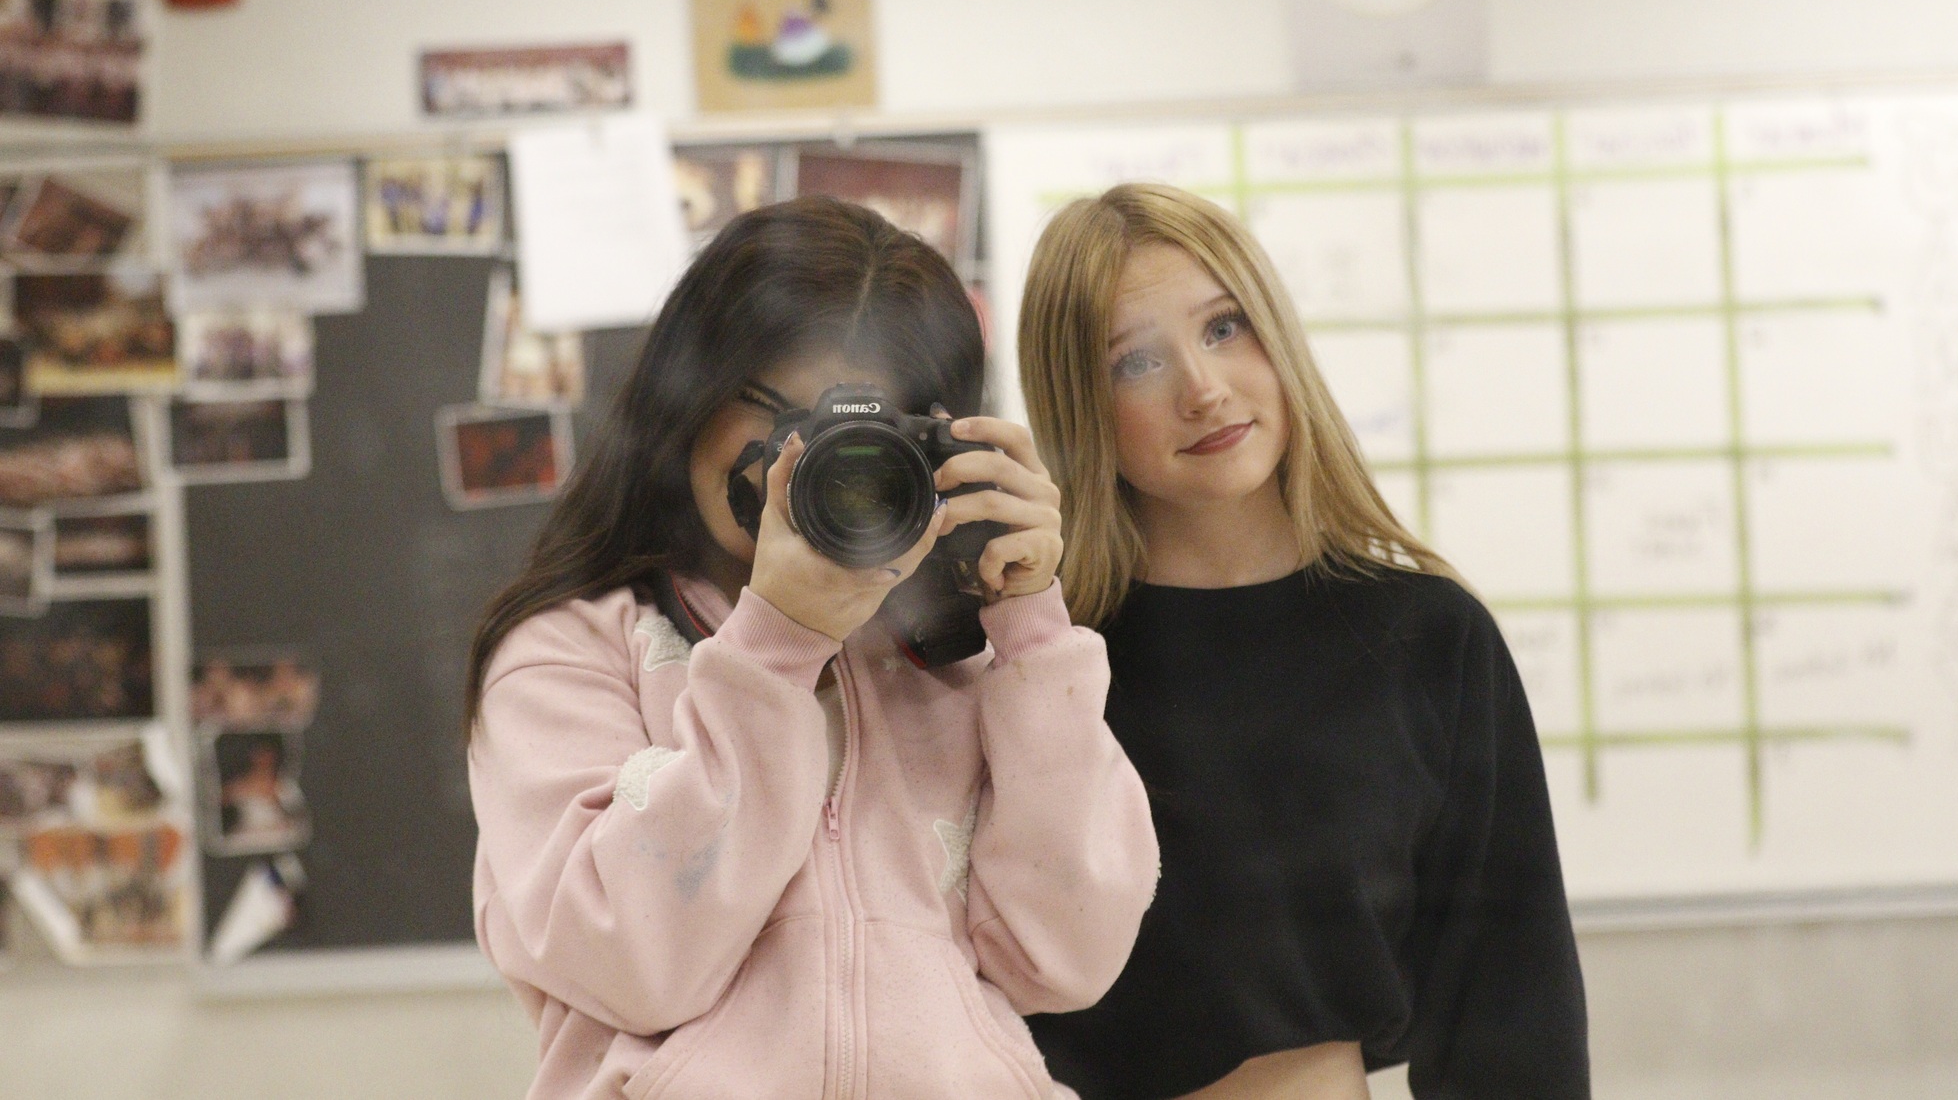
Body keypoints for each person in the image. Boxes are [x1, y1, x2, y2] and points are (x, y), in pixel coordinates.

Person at [465, 197, 1158, 1100]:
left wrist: (1031, 628)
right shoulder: (567, 651)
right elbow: (633, 961)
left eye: (867, 431)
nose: (810, 456)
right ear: (684, 398)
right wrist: (778, 645)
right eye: (777, 409)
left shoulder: (957, 660)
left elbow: (1067, 956)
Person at [1017, 184, 1589, 1100]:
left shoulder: (1429, 639)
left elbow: (1511, 1010)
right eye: (1137, 361)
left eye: (1224, 327)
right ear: (1078, 400)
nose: (1204, 389)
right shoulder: (1039, 663)